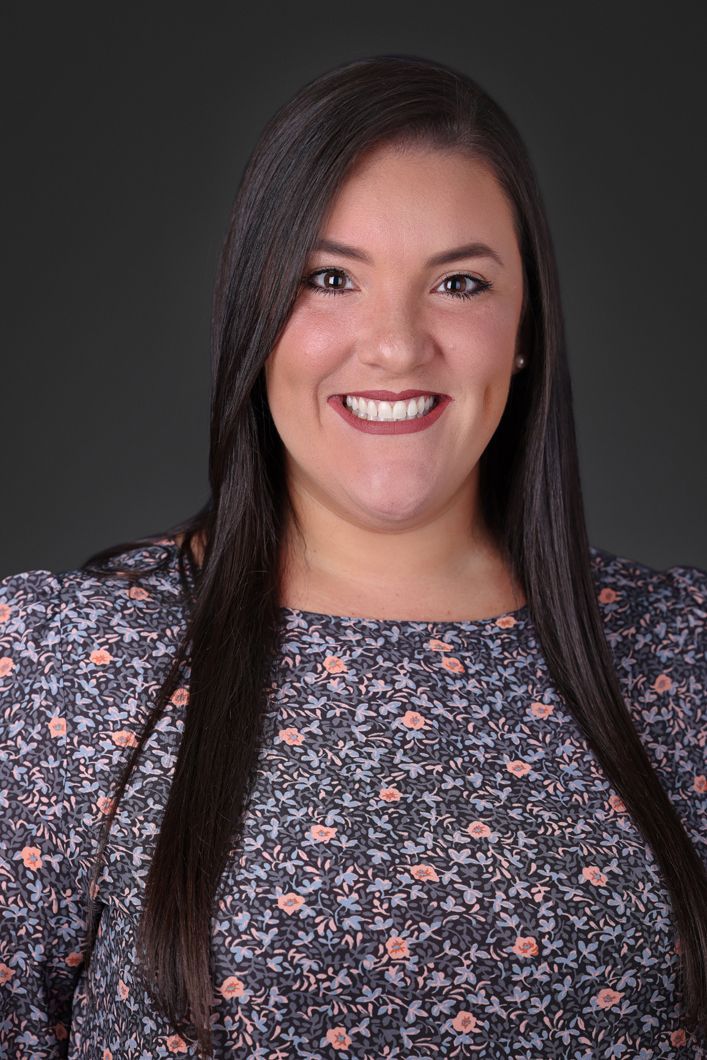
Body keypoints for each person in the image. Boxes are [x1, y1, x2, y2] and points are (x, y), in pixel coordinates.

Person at [1, 52, 705, 1060]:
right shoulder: (63, 670)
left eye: (457, 282)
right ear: (256, 315)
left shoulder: (678, 659)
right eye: (329, 278)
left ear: (523, 331)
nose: (393, 345)